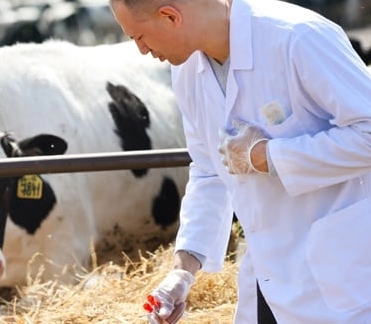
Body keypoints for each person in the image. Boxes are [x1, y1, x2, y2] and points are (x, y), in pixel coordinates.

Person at [109, 0, 371, 322]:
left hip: (344, 279)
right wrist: (183, 272)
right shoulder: (188, 69)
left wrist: (270, 156)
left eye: (139, 37)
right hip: (268, 278)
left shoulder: (297, 37)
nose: (142, 50)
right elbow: (209, 170)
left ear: (170, 16)